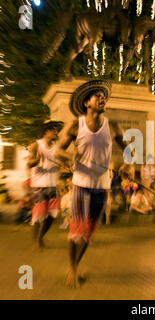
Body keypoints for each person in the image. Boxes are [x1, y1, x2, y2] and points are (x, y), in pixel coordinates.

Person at [56, 79, 128, 288]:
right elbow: (59, 150)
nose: (102, 98)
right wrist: (71, 156)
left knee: (88, 232)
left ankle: (76, 265)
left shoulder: (112, 125)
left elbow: (126, 149)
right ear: (87, 103)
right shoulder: (75, 125)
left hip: (102, 186)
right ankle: (72, 268)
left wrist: (127, 162)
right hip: (81, 183)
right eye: (97, 96)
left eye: (103, 96)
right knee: (77, 228)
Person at [27, 120, 63, 250]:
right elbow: (29, 163)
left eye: (56, 129)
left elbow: (60, 162)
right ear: (46, 131)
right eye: (53, 129)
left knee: (52, 215)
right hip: (39, 186)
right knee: (38, 215)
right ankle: (36, 242)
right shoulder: (36, 145)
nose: (55, 132)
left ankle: (40, 237)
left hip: (53, 186)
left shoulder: (56, 147)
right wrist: (35, 160)